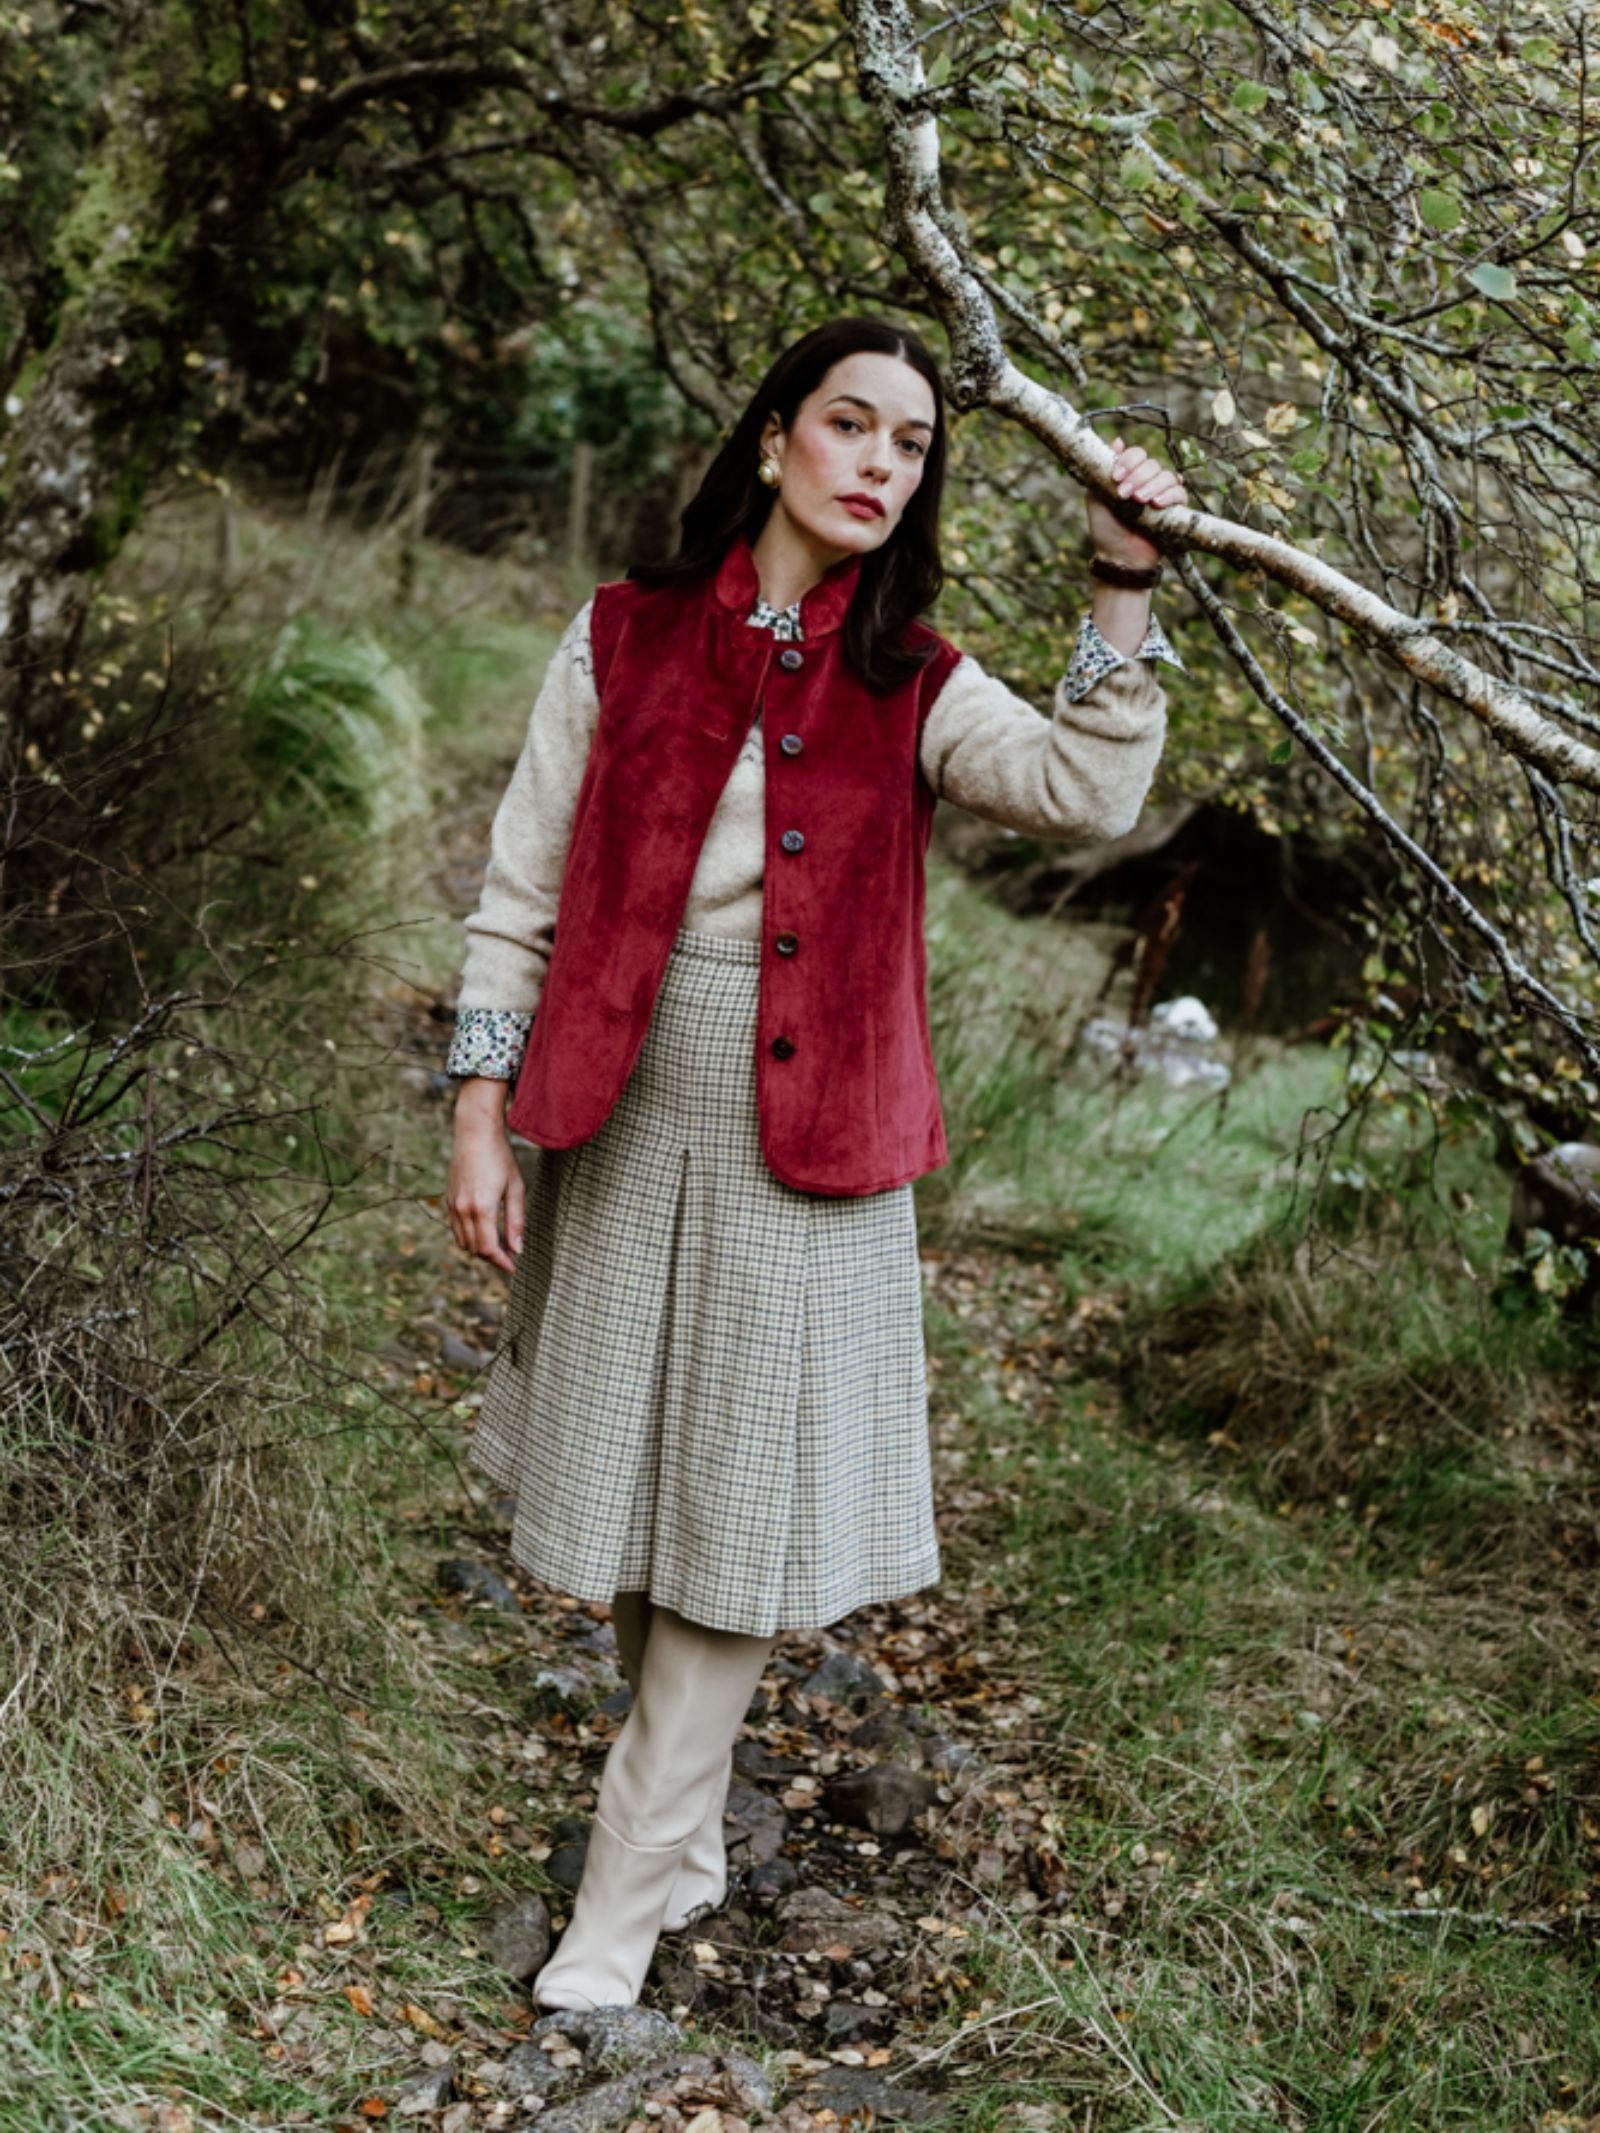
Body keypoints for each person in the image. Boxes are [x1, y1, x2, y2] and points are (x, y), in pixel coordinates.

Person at [443, 315, 1186, 2012]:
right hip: (623, 1105)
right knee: (632, 1503)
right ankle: (686, 1827)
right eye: (849, 425)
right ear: (778, 437)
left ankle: (622, 1898)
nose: (875, 462)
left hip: (813, 1146)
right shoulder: (619, 637)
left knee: (731, 1508)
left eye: (910, 445)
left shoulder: (912, 680)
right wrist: (479, 1108)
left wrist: (1122, 581)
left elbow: (1085, 789)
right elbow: (518, 891)